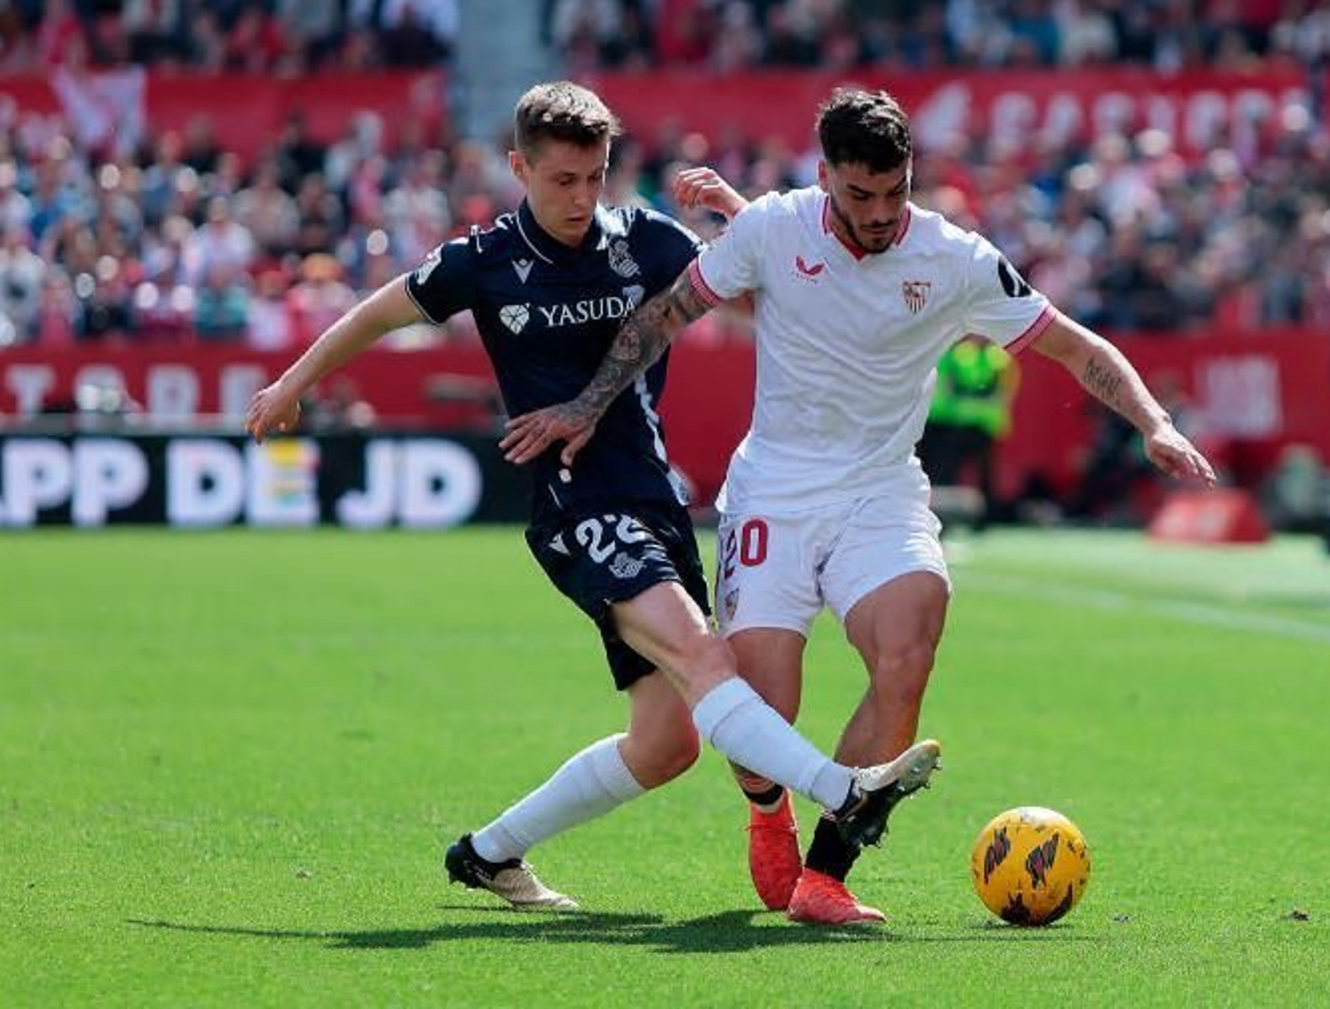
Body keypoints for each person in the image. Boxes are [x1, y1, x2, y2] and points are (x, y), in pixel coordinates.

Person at [501, 88, 1215, 923]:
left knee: (910, 641)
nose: (880, 214)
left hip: (881, 490)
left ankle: (826, 872)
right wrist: (588, 404)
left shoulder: (955, 259)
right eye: (859, 195)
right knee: (762, 711)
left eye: (895, 192)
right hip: (774, 488)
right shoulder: (773, 227)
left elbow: (1073, 344)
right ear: (825, 179)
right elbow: (666, 315)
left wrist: (1154, 423)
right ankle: (769, 811)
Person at [243, 81, 941, 915]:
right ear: (519, 169)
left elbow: (782, 291)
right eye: (561, 179)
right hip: (578, 508)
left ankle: (489, 853)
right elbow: (379, 313)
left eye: (595, 176)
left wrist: (746, 213)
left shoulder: (644, 238)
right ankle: (846, 788)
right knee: (704, 657)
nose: (580, 198)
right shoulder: (486, 260)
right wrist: (291, 382)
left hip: (654, 500)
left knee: (666, 742)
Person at [919, 334, 1019, 531]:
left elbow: (996, 393)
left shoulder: (989, 359)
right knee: (946, 474)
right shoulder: (962, 356)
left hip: (967, 426)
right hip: (948, 424)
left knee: (954, 474)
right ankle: (946, 518)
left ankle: (976, 519)